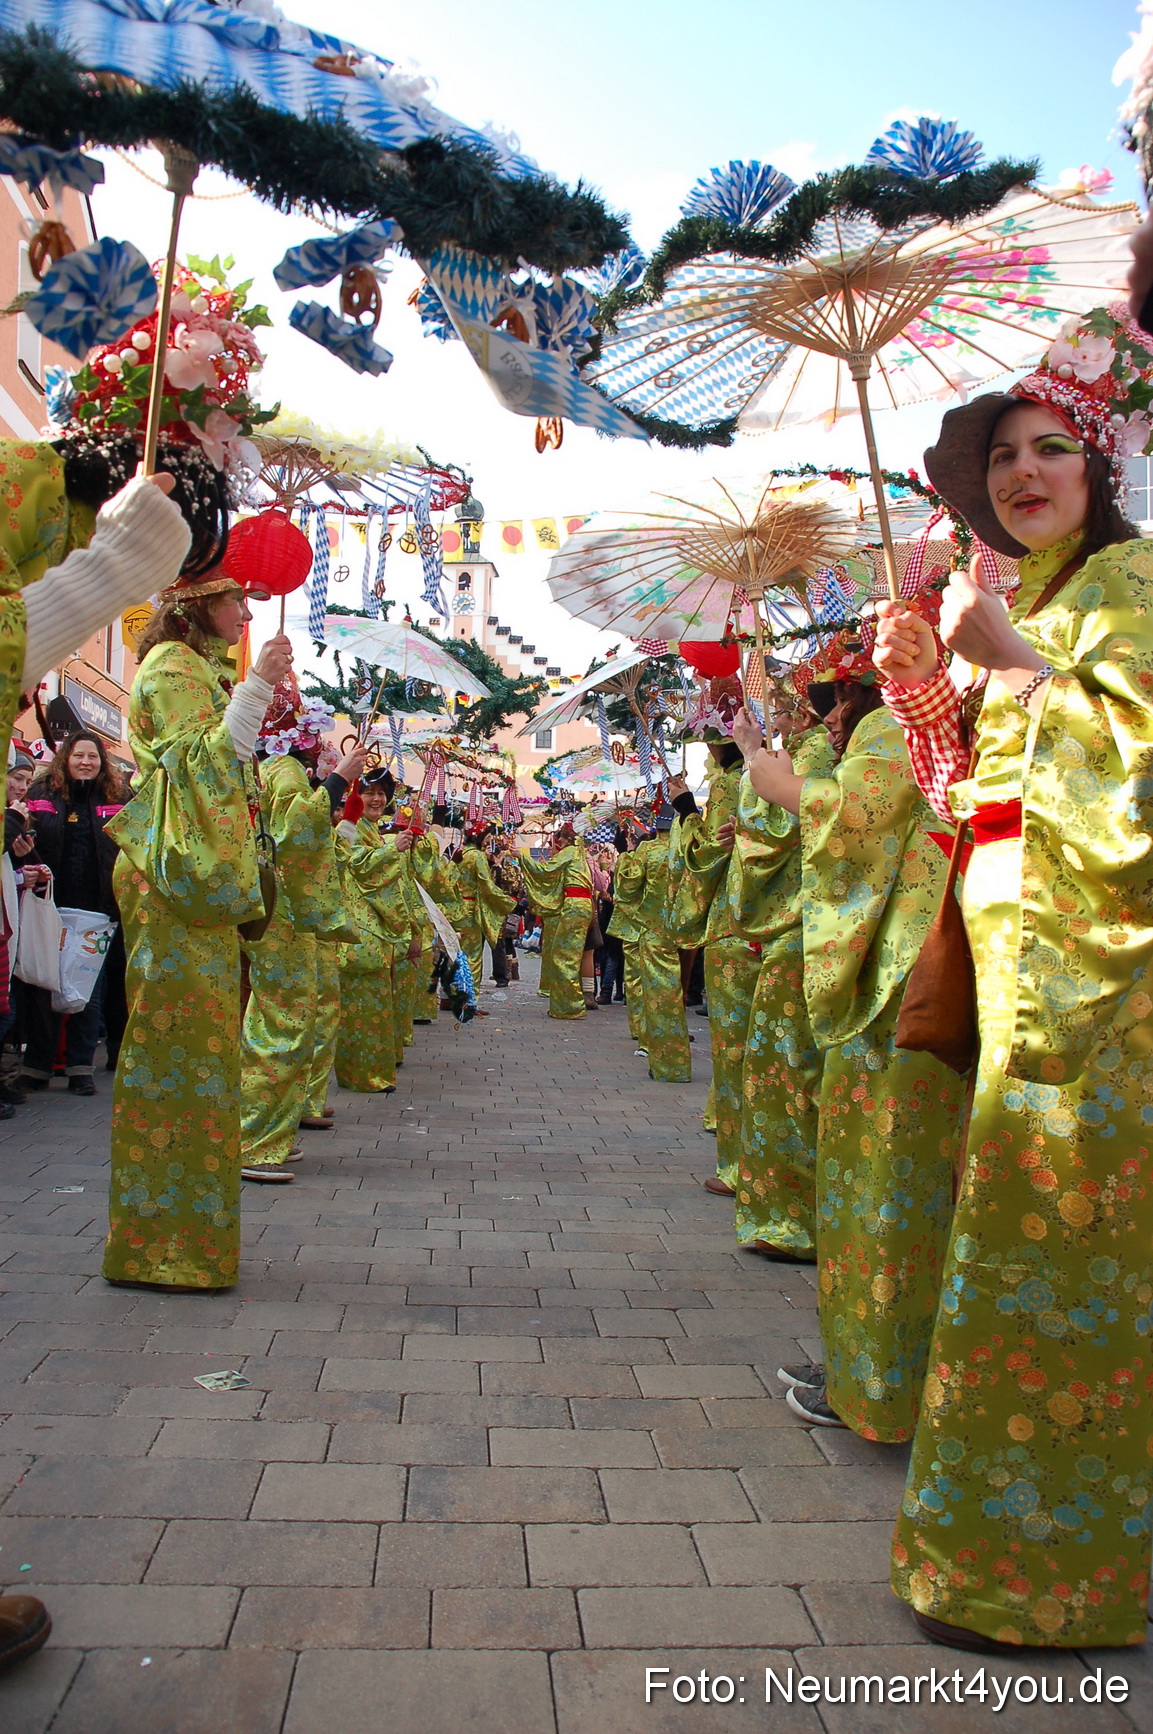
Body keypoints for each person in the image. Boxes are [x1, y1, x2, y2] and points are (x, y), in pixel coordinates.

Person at [874, 303, 1153, 1652]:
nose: (1021, 474)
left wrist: (1025, 668)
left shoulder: (1128, 590)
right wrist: (931, 690)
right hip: (1013, 957)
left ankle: (1059, 1574)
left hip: (1100, 989)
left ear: (1101, 472)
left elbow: (1130, 762)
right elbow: (967, 799)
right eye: (1001, 459)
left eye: (1050, 449)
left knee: (1068, 1251)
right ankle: (996, 1550)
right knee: (1008, 1245)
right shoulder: (1035, 597)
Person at [736, 653, 968, 1440]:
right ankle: (875, 1367)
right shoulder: (979, 696)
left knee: (880, 1186)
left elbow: (855, 817)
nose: (831, 713)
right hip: (956, 958)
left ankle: (875, 1379)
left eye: (837, 696)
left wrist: (780, 785)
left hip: (897, 977)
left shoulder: (906, 713)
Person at [102, 568, 291, 1291]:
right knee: (176, 1059)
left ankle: (180, 1242)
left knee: (200, 1059)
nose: (246, 611)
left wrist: (254, 693)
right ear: (193, 603)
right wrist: (258, 686)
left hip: (189, 885)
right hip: (174, 880)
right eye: (235, 598)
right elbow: (202, 767)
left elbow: (221, 763)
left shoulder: (191, 667)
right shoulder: (173, 665)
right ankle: (164, 1248)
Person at [725, 685, 835, 1258]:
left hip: (808, 931)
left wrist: (753, 763)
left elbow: (773, 833)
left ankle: (795, 1216)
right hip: (807, 931)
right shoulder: (815, 747)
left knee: (788, 1074)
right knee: (781, 1071)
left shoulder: (816, 749)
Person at [239, 692, 362, 1183]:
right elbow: (293, 831)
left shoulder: (280, 772)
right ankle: (255, 1141)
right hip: (282, 917)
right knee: (282, 1024)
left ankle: (272, 1133)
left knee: (289, 1021)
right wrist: (338, 781)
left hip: (288, 916)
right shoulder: (285, 771)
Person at [667, 672, 762, 1197]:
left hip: (735, 922)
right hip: (776, 921)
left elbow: (707, 854)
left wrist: (684, 811)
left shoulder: (732, 783)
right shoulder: (767, 770)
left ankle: (740, 1165)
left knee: (736, 1051)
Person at [17, 732, 126, 1096]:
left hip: (98, 909)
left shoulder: (118, 796)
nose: (85, 762)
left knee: (88, 987)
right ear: (66, 758)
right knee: (41, 985)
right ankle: (37, 1065)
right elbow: (25, 837)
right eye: (78, 755)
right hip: (47, 905)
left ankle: (81, 1067)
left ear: (101, 762)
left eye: (92, 757)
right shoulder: (42, 793)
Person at [335, 768, 418, 1093]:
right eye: (369, 792)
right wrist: (390, 850)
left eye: (382, 794)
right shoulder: (352, 828)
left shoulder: (373, 831)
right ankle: (362, 1076)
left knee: (375, 1008)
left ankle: (372, 1073)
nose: (377, 799)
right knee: (362, 1009)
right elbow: (354, 863)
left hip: (376, 934)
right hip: (359, 933)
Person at [613, 806, 690, 1081]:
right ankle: (677, 1058)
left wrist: (626, 856)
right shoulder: (685, 849)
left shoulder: (647, 852)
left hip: (652, 928)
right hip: (682, 927)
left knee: (655, 990)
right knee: (675, 989)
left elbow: (628, 886)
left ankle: (660, 1054)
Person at [518, 823, 594, 1020]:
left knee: (563, 956)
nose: (558, 842)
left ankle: (570, 1006)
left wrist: (522, 858)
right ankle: (568, 1003)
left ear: (567, 838)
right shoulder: (582, 855)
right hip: (583, 905)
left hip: (574, 905)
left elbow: (546, 870)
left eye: (560, 838)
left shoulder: (570, 852)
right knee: (570, 955)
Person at [455, 823, 516, 1007]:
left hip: (457, 909)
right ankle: (468, 1001)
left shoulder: (460, 854)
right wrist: (506, 902)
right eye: (487, 837)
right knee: (473, 956)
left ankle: (455, 995)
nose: (490, 841)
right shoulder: (477, 856)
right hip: (472, 909)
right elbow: (487, 885)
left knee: (459, 954)